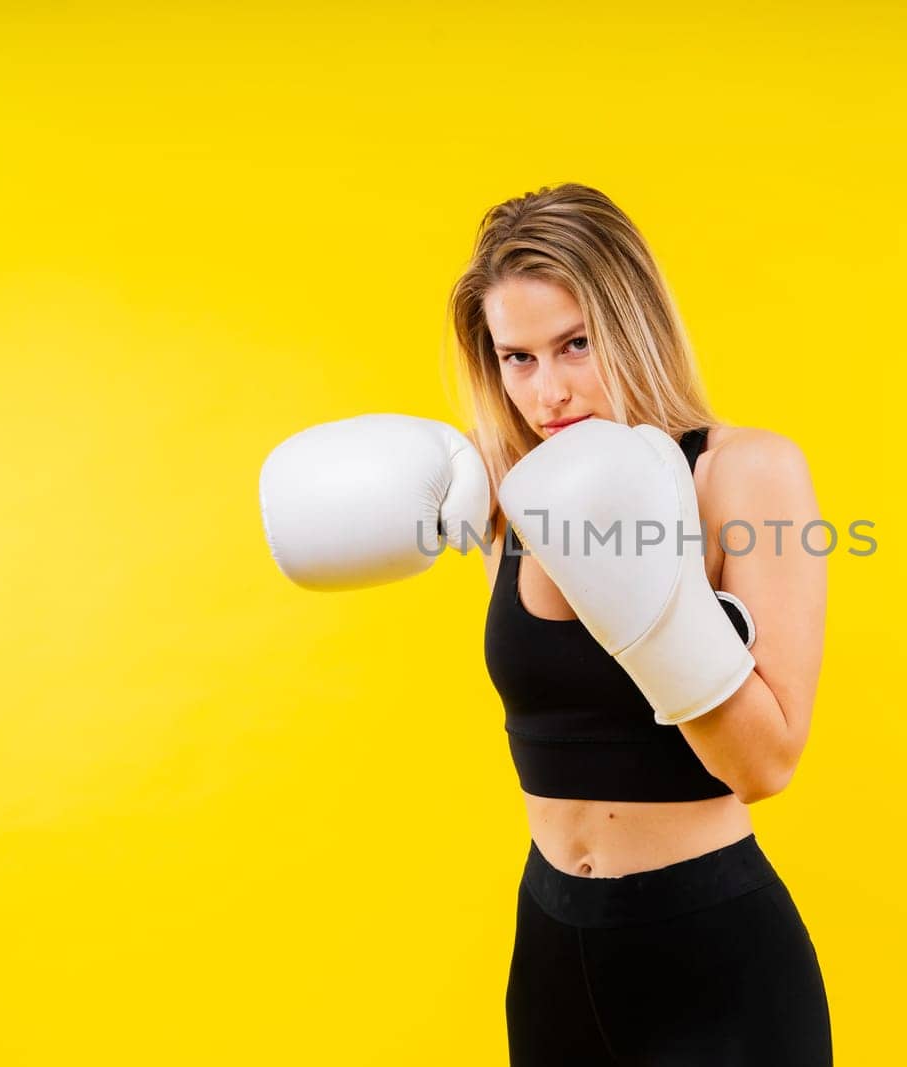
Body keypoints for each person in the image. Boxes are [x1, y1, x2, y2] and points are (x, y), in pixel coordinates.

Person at [260, 183, 831, 1065]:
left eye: (575, 345)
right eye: (517, 358)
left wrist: (660, 599)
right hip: (553, 947)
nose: (549, 391)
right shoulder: (504, 495)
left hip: (714, 958)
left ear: (633, 325)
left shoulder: (743, 474)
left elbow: (767, 765)